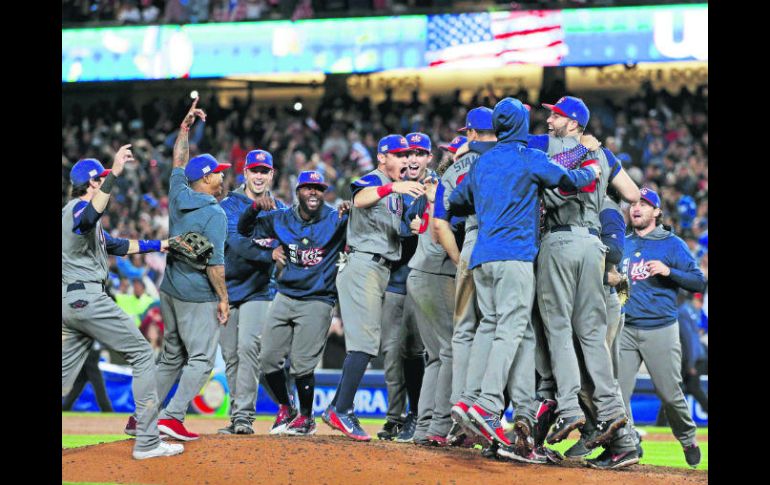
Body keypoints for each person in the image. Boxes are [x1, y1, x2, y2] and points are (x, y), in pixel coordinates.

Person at [438, 97, 600, 463]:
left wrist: (491, 196)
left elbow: (456, 203)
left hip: (482, 259)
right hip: (514, 257)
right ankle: (487, 405)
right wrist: (590, 171)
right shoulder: (530, 157)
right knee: (511, 329)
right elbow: (568, 181)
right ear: (521, 126)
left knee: (493, 326)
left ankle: (469, 399)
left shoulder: (482, 162)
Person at [535, 97, 640, 465]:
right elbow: (632, 195)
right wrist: (600, 160)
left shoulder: (542, 146)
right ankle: (614, 417)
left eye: (556, 115)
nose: (549, 120)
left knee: (559, 332)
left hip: (559, 240)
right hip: (592, 245)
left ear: (574, 122)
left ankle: (569, 408)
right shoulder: (603, 154)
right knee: (592, 337)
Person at [63, 151, 182, 460]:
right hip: (86, 297)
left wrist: (162, 244)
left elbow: (118, 246)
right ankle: (146, 442)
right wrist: (114, 172)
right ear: (91, 182)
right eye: (100, 178)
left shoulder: (87, 223)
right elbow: (88, 216)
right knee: (143, 354)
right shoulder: (77, 209)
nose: (104, 182)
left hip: (73, 303)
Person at [323, 134, 425, 441]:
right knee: (365, 345)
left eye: (408, 154)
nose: (406, 159)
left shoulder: (398, 192)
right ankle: (341, 411)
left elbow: (395, 233)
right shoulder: (375, 180)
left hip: (380, 267)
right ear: (382, 157)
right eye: (399, 154)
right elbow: (359, 199)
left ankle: (336, 409)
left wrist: (413, 229)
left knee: (368, 342)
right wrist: (392, 186)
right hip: (363, 264)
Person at [238, 171, 350, 436]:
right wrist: (254, 208)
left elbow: (365, 230)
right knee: (266, 359)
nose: (314, 192)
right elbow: (244, 230)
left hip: (317, 299)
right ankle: (286, 408)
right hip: (285, 295)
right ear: (298, 191)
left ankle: (306, 417)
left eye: (319, 189)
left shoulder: (336, 219)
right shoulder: (281, 218)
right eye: (308, 188)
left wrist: (353, 210)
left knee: (302, 365)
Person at [153, 98, 231, 442]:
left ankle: (142, 416)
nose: (222, 175)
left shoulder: (178, 191)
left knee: (171, 356)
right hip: (196, 296)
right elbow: (215, 265)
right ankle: (172, 417)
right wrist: (224, 299)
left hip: (168, 289)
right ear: (206, 179)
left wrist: (184, 129)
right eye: (218, 173)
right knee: (201, 360)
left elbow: (178, 161)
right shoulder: (216, 213)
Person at [619, 187, 706, 468]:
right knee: (616, 394)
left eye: (644, 204)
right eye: (633, 203)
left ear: (656, 211)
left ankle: (687, 438)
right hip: (626, 328)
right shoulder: (623, 242)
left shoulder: (671, 243)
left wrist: (670, 272)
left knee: (670, 394)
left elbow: (698, 282)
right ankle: (629, 441)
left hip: (660, 328)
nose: (637, 208)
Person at [217, 149, 288, 435]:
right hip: (226, 289)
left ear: (271, 175)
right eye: (254, 170)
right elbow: (235, 241)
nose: (259, 176)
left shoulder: (279, 208)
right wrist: (271, 252)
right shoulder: (228, 206)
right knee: (230, 354)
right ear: (245, 173)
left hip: (260, 289)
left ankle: (245, 416)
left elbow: (293, 241)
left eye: (264, 171)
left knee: (248, 347)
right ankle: (237, 416)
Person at [394, 132, 456, 446]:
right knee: (451, 351)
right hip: (436, 274)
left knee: (434, 356)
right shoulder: (447, 192)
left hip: (418, 275)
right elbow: (440, 231)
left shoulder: (434, 189)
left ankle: (423, 428)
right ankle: (438, 429)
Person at [378, 134, 430, 443]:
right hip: (394, 281)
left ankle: (417, 415)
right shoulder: (391, 189)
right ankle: (395, 417)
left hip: (424, 279)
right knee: (391, 352)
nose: (412, 158)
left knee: (416, 351)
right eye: (407, 153)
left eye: (420, 153)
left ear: (428, 159)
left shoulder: (435, 189)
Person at [62, 342, 113, 413]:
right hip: (90, 361)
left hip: (87, 360)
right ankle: (107, 410)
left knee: (76, 388)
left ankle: (64, 408)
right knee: (99, 387)